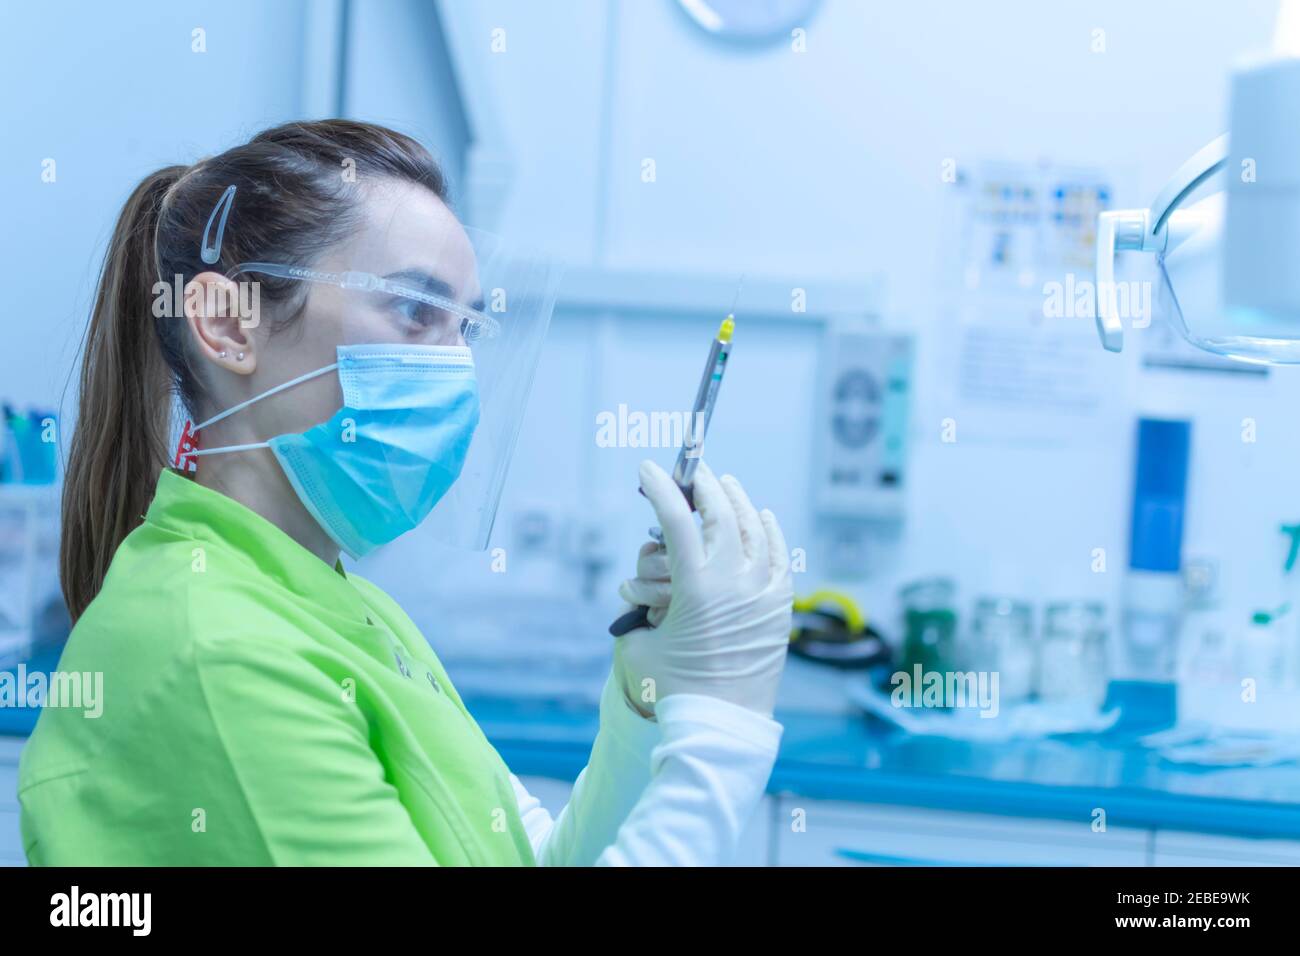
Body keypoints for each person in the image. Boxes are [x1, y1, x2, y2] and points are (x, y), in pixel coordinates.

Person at [17, 120, 794, 866]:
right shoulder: (215, 649)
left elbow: (533, 858)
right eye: (416, 311)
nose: (454, 367)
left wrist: (649, 697)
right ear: (229, 325)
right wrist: (720, 732)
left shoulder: (343, 607)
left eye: (464, 329)